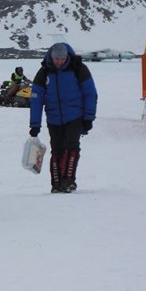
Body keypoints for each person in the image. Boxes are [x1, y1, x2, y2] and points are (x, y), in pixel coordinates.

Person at [29, 42, 97, 194]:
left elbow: (90, 93)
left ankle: (69, 181)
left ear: (67, 57)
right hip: (53, 118)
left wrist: (88, 117)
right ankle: (56, 183)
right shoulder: (44, 72)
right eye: (56, 59)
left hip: (75, 116)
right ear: (51, 57)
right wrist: (35, 124)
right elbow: (36, 99)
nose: (59, 62)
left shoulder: (78, 68)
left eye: (62, 59)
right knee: (57, 149)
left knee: (72, 146)